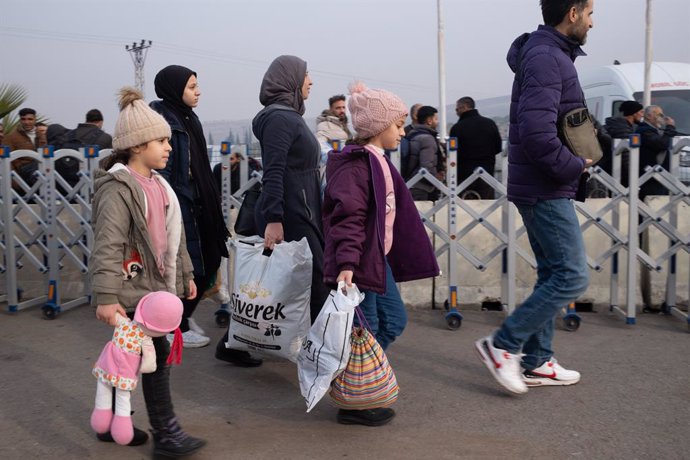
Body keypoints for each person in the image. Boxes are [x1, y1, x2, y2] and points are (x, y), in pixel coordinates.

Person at [475, 0, 594, 395]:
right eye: (590, 13)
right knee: (573, 274)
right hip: (546, 186)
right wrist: (574, 166)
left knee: (552, 272)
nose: (593, 22)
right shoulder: (547, 57)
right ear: (573, 12)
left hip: (543, 183)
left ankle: (538, 360)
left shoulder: (548, 54)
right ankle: (503, 346)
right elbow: (537, 132)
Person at [90, 87, 206, 456]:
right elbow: (107, 245)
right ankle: (166, 434)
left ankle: (109, 422)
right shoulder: (118, 189)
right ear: (137, 145)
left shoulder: (160, 185)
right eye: (161, 140)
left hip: (157, 289)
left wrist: (184, 276)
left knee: (125, 357)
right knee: (153, 359)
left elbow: (174, 238)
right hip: (132, 290)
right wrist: (107, 297)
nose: (168, 147)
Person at [322, 82, 439, 426]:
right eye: (398, 125)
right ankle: (355, 397)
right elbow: (348, 217)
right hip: (359, 261)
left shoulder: (379, 161)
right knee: (369, 326)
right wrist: (346, 262)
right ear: (377, 127)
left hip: (377, 258)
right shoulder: (355, 165)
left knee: (390, 322)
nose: (403, 132)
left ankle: (357, 383)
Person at [150, 66, 257, 367]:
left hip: (197, 203)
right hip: (179, 205)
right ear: (174, 89)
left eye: (197, 86)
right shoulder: (163, 122)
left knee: (209, 260)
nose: (198, 92)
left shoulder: (187, 118)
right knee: (188, 267)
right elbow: (164, 173)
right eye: (191, 87)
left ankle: (180, 319)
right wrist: (172, 208)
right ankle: (174, 326)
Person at [251, 55, 330, 320]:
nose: (310, 81)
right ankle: (322, 350)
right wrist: (275, 218)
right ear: (291, 79)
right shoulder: (279, 119)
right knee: (317, 277)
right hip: (292, 211)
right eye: (306, 74)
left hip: (302, 207)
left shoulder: (289, 116)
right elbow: (273, 170)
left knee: (279, 281)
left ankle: (236, 342)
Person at [449, 96, 503, 199]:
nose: (456, 112)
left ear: (464, 107)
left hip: (464, 177)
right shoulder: (490, 124)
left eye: (457, 109)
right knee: (486, 207)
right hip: (487, 175)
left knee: (464, 209)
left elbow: (453, 153)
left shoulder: (457, 128)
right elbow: (498, 148)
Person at [635, 105, 677, 200]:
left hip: (657, 176)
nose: (662, 118)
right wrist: (670, 127)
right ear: (649, 116)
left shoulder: (651, 130)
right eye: (660, 115)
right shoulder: (644, 131)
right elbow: (661, 144)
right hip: (651, 177)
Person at [407, 106, 446, 201]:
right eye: (436, 119)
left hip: (412, 183)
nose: (438, 122)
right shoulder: (427, 139)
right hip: (423, 187)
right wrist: (437, 178)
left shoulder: (413, 134)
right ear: (429, 120)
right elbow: (426, 166)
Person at [604, 100, 644, 187]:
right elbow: (626, 156)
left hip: (612, 172)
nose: (642, 114)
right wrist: (633, 179)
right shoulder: (623, 129)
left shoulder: (620, 126)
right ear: (634, 113)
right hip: (618, 175)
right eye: (640, 112)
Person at [5, 108, 46, 190]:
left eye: (30, 119)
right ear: (20, 120)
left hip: (42, 175)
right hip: (23, 176)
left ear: (35, 120)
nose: (27, 122)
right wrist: (16, 184)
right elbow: (8, 162)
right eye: (23, 119)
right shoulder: (11, 137)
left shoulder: (43, 136)